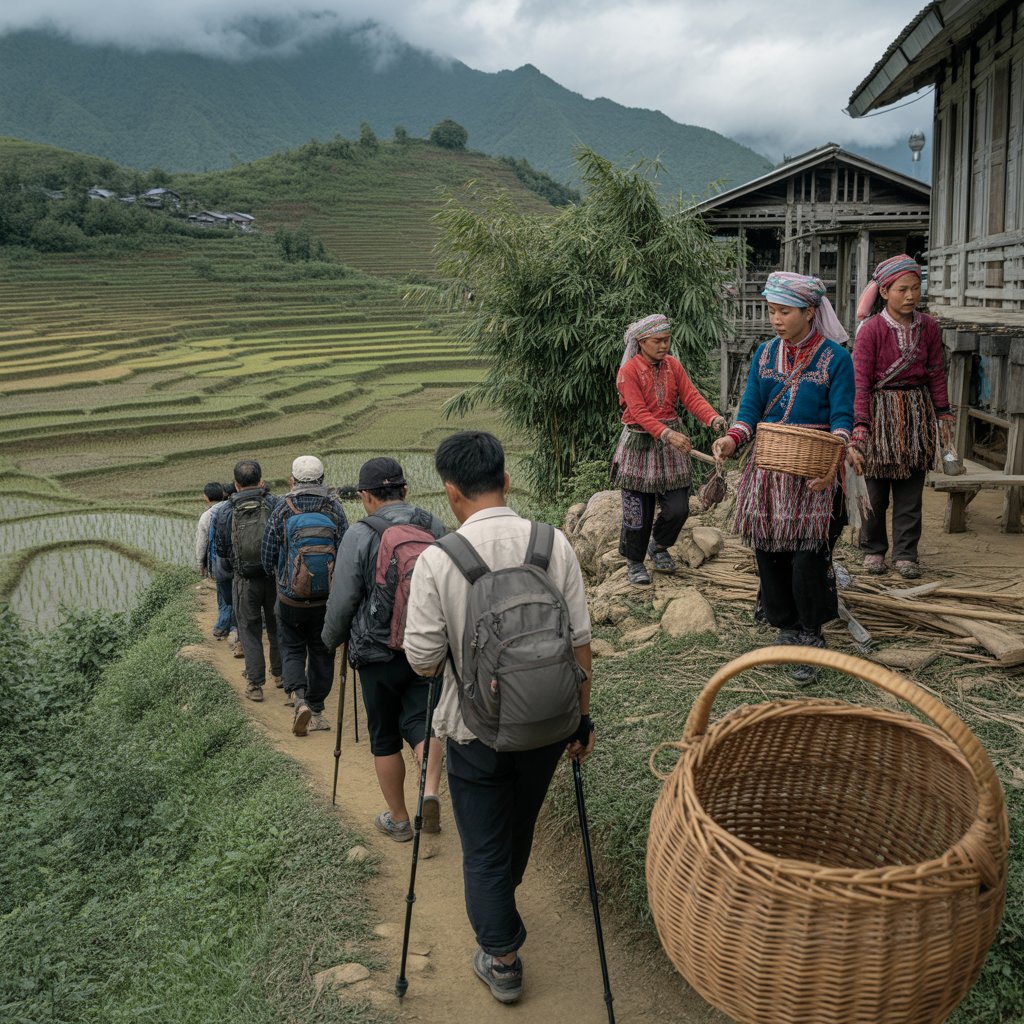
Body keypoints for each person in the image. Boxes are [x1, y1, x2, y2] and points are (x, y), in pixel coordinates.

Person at [403, 431, 594, 1005]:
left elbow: (422, 659)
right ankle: (500, 899)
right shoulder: (551, 542)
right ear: (506, 481)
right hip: (549, 723)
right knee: (518, 826)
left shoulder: (440, 559)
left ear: (451, 493)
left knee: (482, 845)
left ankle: (503, 959)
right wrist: (582, 722)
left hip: (474, 730)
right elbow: (580, 644)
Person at [712, 273, 857, 683]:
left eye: (784, 311)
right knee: (769, 551)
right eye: (772, 310)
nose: (775, 319)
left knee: (809, 557)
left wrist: (833, 461)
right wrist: (731, 440)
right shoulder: (764, 355)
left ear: (810, 313)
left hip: (816, 475)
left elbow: (843, 417)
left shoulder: (836, 359)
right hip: (769, 472)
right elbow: (750, 410)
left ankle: (811, 635)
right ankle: (785, 626)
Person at [321, 457, 447, 840]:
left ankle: (399, 819)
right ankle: (429, 791)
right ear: (405, 490)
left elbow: (343, 600)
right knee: (424, 722)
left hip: (377, 654)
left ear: (365, 497)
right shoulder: (433, 525)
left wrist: (331, 640)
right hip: (428, 648)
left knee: (384, 736)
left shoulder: (359, 535)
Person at [850, 254, 954, 579]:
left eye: (915, 288)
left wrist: (943, 414)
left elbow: (936, 372)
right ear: (884, 292)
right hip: (881, 417)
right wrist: (860, 425)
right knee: (875, 491)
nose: (910, 296)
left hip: (916, 416)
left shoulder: (929, 328)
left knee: (910, 490)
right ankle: (874, 549)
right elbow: (860, 381)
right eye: (902, 289)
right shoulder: (871, 330)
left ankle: (906, 554)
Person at [611, 313, 727, 586]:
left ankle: (659, 545)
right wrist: (667, 434)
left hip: (670, 446)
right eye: (658, 341)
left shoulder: (673, 366)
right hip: (640, 444)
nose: (664, 346)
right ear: (641, 341)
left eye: (667, 340)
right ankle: (635, 561)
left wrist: (713, 418)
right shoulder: (628, 371)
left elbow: (691, 396)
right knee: (637, 510)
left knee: (678, 508)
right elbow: (638, 412)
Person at [262, 455, 348, 736]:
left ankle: (299, 699)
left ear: (293, 480)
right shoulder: (334, 508)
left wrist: (282, 576)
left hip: (290, 598)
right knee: (323, 651)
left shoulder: (282, 509)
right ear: (322, 479)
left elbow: (268, 555)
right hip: (326, 599)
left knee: (292, 647)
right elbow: (346, 551)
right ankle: (318, 711)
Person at [216, 460, 281, 701]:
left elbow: (222, 550)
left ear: (235, 484)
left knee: (249, 630)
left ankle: (255, 684)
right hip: (273, 577)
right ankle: (281, 675)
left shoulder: (224, 511)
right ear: (261, 480)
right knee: (277, 627)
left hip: (243, 580)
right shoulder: (275, 503)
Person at [195, 482, 233, 638]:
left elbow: (201, 542)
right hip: (237, 559)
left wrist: (200, 564)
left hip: (219, 561)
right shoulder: (232, 507)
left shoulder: (208, 515)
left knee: (224, 595)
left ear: (206, 497)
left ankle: (223, 626)